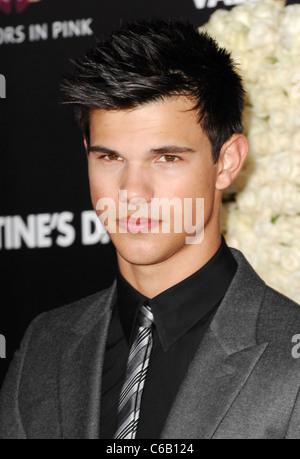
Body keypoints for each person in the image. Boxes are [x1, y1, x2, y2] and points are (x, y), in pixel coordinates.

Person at [1, 19, 300, 440]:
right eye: (110, 158)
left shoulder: (290, 357)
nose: (131, 192)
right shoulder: (44, 346)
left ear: (227, 162)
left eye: (167, 158)